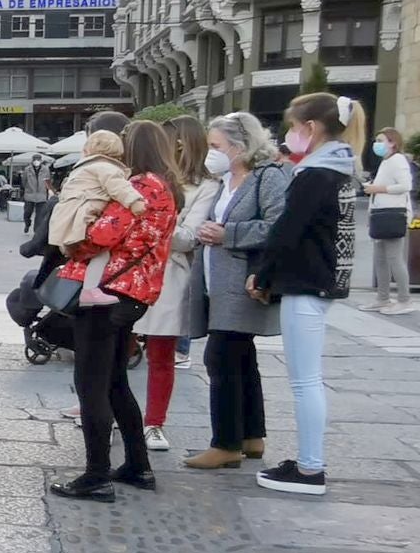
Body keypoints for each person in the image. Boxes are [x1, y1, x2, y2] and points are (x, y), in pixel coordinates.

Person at [49, 121, 178, 502]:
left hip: (108, 293)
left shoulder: (140, 187)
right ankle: (138, 465)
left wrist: (72, 239)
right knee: (115, 381)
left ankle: (96, 475)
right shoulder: (164, 186)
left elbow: (99, 237)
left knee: (91, 384)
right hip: (133, 293)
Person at [249, 93, 366, 495]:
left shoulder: (315, 173)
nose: (290, 135)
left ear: (310, 128)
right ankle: (308, 462)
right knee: (307, 379)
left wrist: (262, 276)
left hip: (307, 282)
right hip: (320, 280)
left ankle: (310, 468)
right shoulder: (339, 168)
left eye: (293, 126)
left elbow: (286, 230)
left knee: (304, 381)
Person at [183, 112, 288, 471]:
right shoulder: (225, 179)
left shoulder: (268, 177)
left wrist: (229, 234)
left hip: (242, 282)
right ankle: (251, 436)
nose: (210, 153)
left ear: (240, 146)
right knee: (241, 357)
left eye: (216, 146)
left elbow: (279, 226)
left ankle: (225, 442)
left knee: (221, 357)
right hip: (218, 280)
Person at [135, 115, 220, 453]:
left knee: (161, 353)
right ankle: (105, 409)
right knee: (115, 346)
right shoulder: (147, 178)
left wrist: (153, 221)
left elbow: (188, 238)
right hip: (132, 268)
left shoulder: (207, 185)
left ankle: (154, 422)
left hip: (170, 273)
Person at [50, 130, 147, 307]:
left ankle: (86, 291)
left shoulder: (82, 168)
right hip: (84, 217)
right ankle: (90, 290)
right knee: (101, 252)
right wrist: (136, 202)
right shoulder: (106, 168)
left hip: (68, 218)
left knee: (84, 255)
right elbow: (120, 188)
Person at [360, 126, 415, 315]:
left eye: (381, 140)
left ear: (393, 142)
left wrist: (378, 189)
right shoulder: (386, 162)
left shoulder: (397, 160)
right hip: (380, 214)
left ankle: (404, 299)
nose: (377, 144)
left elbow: (405, 186)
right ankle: (382, 297)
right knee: (380, 259)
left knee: (394, 258)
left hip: (393, 214)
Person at [22, 154, 51, 233]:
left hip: (41, 195)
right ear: (32, 160)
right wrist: (27, 189)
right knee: (27, 212)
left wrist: (48, 192)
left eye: (38, 160)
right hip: (29, 194)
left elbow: (48, 182)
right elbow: (24, 182)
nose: (36, 161)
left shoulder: (46, 170)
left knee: (39, 216)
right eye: (35, 159)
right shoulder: (27, 170)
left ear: (41, 160)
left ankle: (36, 231)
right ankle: (27, 224)